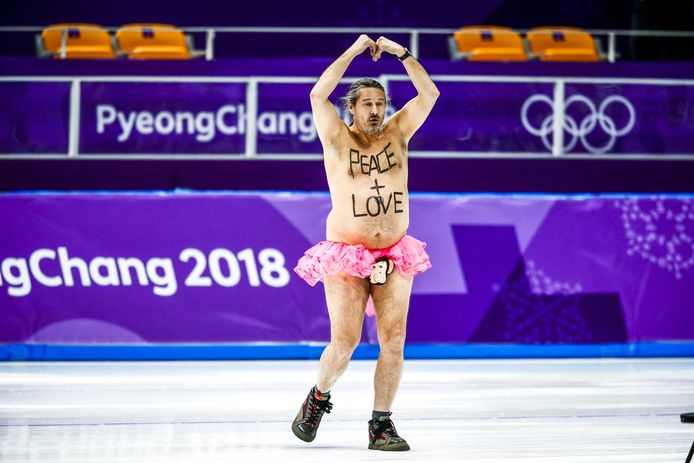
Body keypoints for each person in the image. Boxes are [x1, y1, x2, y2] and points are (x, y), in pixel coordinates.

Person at [292, 34, 439, 451]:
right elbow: (318, 94)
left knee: (394, 340)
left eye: (380, 104)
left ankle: (381, 425)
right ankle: (318, 397)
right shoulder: (337, 139)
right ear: (352, 109)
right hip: (346, 254)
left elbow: (429, 93)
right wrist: (355, 51)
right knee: (346, 342)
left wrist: (401, 52)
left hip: (395, 252)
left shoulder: (398, 134)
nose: (376, 110)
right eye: (367, 104)